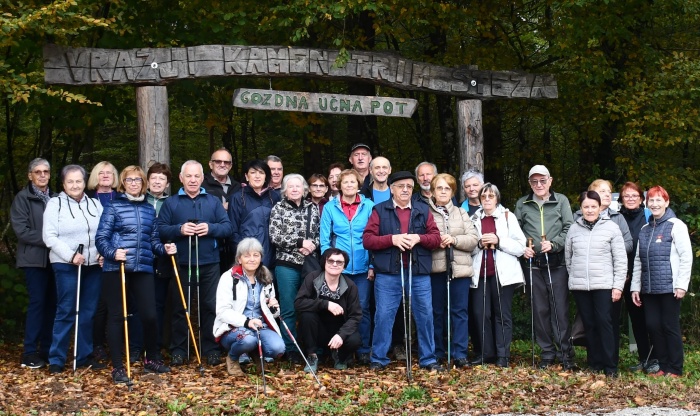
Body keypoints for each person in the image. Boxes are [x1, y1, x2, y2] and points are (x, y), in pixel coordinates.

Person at [95, 165, 177, 383]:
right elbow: (101, 238)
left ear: (144, 184)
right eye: (129, 180)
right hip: (116, 268)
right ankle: (118, 367)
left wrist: (165, 249)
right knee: (117, 316)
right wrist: (113, 253)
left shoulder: (149, 210)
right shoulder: (113, 206)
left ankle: (151, 358)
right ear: (123, 183)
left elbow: (152, 242)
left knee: (150, 315)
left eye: (137, 180)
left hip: (142, 268)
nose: (133, 184)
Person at [363, 171, 443, 372]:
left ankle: (428, 359)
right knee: (383, 316)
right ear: (392, 189)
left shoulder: (423, 210)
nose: (405, 189)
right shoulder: (379, 210)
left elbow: (435, 238)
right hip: (389, 273)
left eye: (409, 186)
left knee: (425, 315)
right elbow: (368, 240)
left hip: (418, 272)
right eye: (400, 186)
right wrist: (392, 239)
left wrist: (419, 238)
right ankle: (378, 359)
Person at [157, 160, 234, 367]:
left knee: (210, 306)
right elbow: (161, 229)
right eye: (188, 176)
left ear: (202, 178)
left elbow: (227, 228)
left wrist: (210, 228)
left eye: (196, 176)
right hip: (180, 263)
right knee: (180, 307)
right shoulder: (171, 203)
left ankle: (210, 349)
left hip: (209, 262)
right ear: (181, 178)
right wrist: (179, 230)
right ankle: (180, 349)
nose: (192, 180)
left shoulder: (212, 202)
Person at [42, 164, 104, 374]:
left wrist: (103, 252)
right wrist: (70, 255)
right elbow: (49, 236)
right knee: (66, 310)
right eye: (70, 181)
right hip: (65, 264)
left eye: (79, 181)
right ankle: (57, 359)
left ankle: (83, 356)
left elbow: (105, 232)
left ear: (84, 182)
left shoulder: (95, 204)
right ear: (63, 184)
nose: (75, 185)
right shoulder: (55, 204)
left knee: (87, 312)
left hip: (93, 265)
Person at [514, 164, 575, 369]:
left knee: (560, 309)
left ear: (550, 180)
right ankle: (547, 353)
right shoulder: (523, 203)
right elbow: (516, 230)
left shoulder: (561, 201)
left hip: (557, 263)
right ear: (530, 183)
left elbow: (569, 227)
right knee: (539, 310)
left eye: (542, 180)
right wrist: (523, 247)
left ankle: (566, 353)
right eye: (534, 181)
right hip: (533, 263)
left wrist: (555, 243)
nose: (538, 185)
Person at [631, 186, 692, 377]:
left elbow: (686, 257)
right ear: (646, 204)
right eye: (651, 200)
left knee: (669, 326)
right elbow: (638, 260)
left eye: (659, 200)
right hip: (649, 288)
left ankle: (675, 368)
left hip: (670, 287)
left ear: (666, 202)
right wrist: (635, 287)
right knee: (653, 326)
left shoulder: (676, 225)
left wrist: (682, 285)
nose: (655, 204)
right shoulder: (645, 229)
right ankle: (663, 366)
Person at [566, 191, 627, 377]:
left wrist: (618, 286)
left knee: (604, 323)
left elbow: (621, 260)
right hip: (581, 287)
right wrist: (575, 277)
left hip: (604, 285)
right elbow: (568, 258)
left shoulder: (611, 228)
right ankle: (595, 363)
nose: (590, 210)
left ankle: (610, 366)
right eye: (586, 206)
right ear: (581, 208)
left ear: (600, 207)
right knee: (589, 325)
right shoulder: (574, 229)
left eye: (593, 206)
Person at [320, 169, 375, 365]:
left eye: (353, 182)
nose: (349, 185)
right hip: (338, 268)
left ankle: (363, 349)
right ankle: (337, 351)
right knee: (337, 310)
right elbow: (324, 240)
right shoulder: (330, 207)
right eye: (346, 182)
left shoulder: (369, 206)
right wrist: (329, 265)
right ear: (339, 185)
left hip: (362, 267)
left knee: (362, 309)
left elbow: (374, 237)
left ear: (359, 184)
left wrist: (372, 265)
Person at [471, 183, 526, 367]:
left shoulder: (507, 217)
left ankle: (503, 355)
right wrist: (479, 244)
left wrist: (499, 240)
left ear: (497, 199)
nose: (487, 199)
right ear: (479, 199)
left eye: (491, 196)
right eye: (484, 196)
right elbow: (467, 247)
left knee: (502, 314)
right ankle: (486, 353)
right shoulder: (473, 219)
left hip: (503, 274)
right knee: (481, 313)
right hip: (480, 273)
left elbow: (520, 246)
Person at [426, 173, 478, 368]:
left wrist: (454, 240)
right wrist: (437, 241)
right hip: (436, 269)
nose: (443, 191)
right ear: (432, 192)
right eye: (439, 188)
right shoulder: (425, 213)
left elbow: (473, 240)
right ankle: (438, 352)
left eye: (447, 188)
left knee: (460, 312)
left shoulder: (461, 213)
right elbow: (423, 239)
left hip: (460, 270)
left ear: (452, 192)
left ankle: (460, 353)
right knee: (437, 312)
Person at [214, 238, 284, 376]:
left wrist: (274, 307)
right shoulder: (228, 278)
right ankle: (233, 358)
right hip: (233, 327)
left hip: (260, 325)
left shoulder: (266, 278)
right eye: (247, 256)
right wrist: (246, 322)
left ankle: (255, 353)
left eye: (256, 255)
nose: (252, 259)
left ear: (260, 258)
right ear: (239, 259)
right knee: (248, 340)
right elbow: (222, 312)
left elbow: (274, 314)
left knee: (278, 348)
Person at [269, 174, 320, 360]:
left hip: (309, 265)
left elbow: (320, 233)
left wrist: (312, 244)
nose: (295, 189)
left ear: (304, 189)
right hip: (286, 265)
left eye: (298, 186)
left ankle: (313, 349)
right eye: (290, 186)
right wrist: (300, 242)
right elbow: (274, 236)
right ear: (285, 190)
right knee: (289, 308)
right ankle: (291, 349)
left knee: (310, 307)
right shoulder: (278, 208)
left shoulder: (312, 208)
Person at [11, 158, 56, 369]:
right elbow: (22, 231)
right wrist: (50, 239)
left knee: (52, 305)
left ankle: (46, 350)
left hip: (56, 260)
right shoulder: (23, 198)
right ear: (30, 175)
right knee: (37, 304)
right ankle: (29, 352)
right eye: (37, 172)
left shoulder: (56, 198)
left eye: (46, 172)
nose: (42, 175)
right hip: (33, 260)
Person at [295, 248, 363, 372]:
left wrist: (341, 335)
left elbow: (356, 316)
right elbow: (299, 303)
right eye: (330, 261)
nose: (334, 264)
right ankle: (312, 356)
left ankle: (340, 357)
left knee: (354, 340)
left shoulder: (350, 286)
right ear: (324, 262)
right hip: (317, 328)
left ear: (344, 267)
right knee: (307, 316)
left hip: (338, 330)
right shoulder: (313, 278)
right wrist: (325, 304)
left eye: (339, 262)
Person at [618, 182, 657, 373]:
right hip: (626, 276)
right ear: (622, 199)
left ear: (641, 199)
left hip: (648, 274)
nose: (631, 199)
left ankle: (657, 358)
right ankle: (644, 359)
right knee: (637, 321)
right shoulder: (618, 218)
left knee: (652, 319)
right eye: (627, 196)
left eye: (635, 195)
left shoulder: (649, 216)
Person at [87, 161, 119, 360]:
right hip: (94, 258)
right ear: (95, 177)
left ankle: (117, 343)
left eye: (109, 173)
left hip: (118, 256)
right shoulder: (88, 199)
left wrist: (112, 252)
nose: (105, 176)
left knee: (117, 303)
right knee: (98, 305)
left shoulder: (122, 198)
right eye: (101, 173)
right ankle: (97, 344)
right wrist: (100, 252)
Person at [228, 159, 281, 269]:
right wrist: (243, 254)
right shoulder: (237, 198)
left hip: (272, 257)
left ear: (266, 176)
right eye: (253, 172)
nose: (257, 176)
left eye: (261, 173)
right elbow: (232, 231)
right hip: (248, 256)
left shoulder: (274, 197)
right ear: (247, 176)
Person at [146, 162, 173, 350]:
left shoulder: (171, 203)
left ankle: (159, 342)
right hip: (142, 257)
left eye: (161, 179)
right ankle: (139, 343)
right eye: (153, 178)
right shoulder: (140, 201)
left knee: (161, 302)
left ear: (167, 184)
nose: (157, 182)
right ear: (147, 181)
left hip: (164, 258)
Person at [203, 149, 242, 275]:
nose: (222, 164)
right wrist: (220, 208)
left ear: (230, 166)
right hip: (210, 246)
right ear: (210, 164)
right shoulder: (201, 185)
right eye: (218, 161)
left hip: (233, 247)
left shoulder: (239, 188)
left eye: (226, 162)